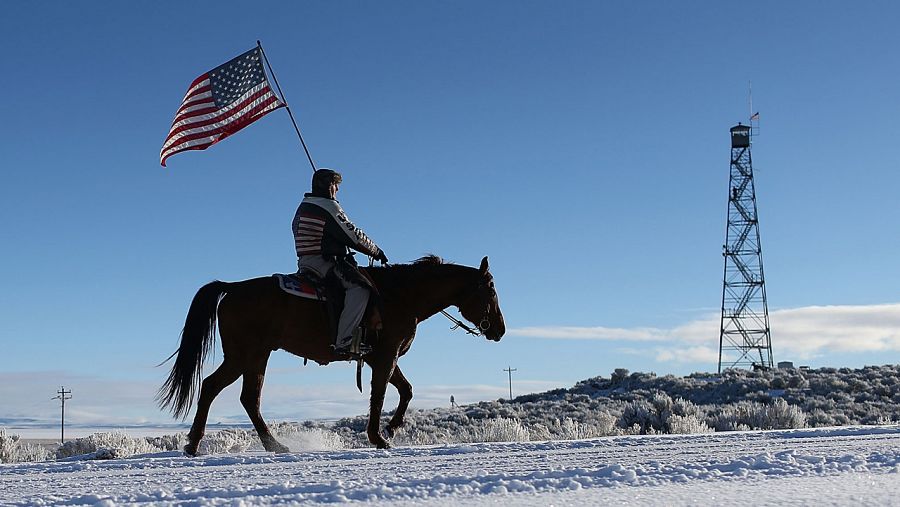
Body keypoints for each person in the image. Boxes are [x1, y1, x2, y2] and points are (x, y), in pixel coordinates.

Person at [292, 168, 388, 357]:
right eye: (336, 186)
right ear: (329, 186)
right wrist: (376, 251)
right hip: (323, 261)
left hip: (305, 261)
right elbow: (353, 236)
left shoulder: (303, 206)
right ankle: (345, 341)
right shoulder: (327, 206)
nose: (337, 190)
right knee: (360, 289)